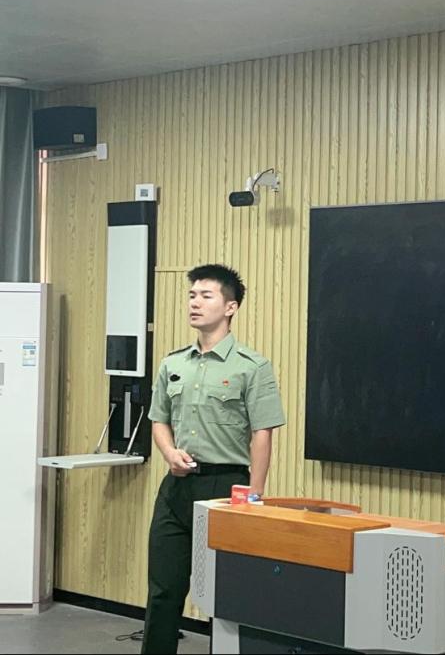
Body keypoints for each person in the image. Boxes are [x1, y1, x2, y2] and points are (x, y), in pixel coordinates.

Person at [141, 264, 286, 654]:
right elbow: (158, 419)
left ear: (230, 307)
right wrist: (169, 453)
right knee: (163, 589)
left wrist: (254, 496)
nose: (195, 302)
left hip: (226, 489)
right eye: (192, 295)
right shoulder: (173, 363)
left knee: (225, 596)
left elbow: (263, 433)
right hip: (176, 487)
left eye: (206, 296)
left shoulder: (252, 366)